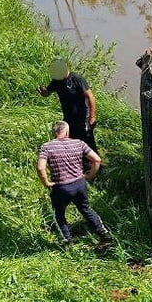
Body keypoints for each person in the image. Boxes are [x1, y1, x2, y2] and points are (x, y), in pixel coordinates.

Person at [37, 120, 112, 248]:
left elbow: (40, 168)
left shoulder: (47, 147)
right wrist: (90, 175)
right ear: (67, 130)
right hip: (79, 184)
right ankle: (104, 235)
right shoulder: (79, 143)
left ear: (55, 132)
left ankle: (67, 242)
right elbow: (97, 159)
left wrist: (47, 182)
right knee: (85, 209)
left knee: (59, 214)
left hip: (61, 187)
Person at [38, 57, 98, 151]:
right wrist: (43, 93)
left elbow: (90, 96)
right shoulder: (56, 81)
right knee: (71, 141)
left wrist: (92, 117)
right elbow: (47, 92)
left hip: (82, 117)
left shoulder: (76, 79)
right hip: (68, 117)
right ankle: (77, 161)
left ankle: (95, 163)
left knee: (88, 142)